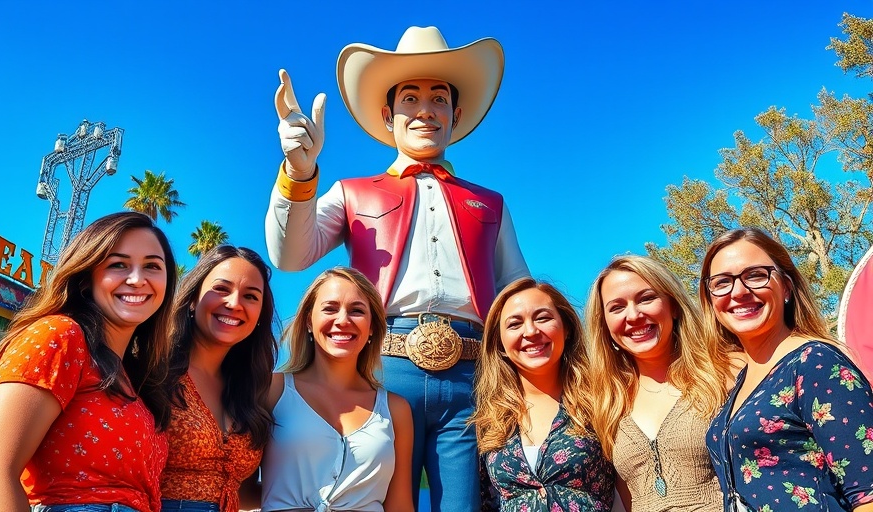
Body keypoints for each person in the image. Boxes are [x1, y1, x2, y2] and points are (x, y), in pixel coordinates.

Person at [263, 25, 529, 510]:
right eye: (410, 97)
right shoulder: (352, 191)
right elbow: (290, 255)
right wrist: (300, 173)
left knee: (463, 505)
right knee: (378, 500)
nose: (425, 110)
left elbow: (517, 288)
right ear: (389, 115)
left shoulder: (491, 203)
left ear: (457, 114)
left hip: (473, 373)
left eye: (438, 99)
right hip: (383, 369)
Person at [0, 211, 177, 512]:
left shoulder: (137, 378)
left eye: (152, 266)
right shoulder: (59, 335)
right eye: (118, 265)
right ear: (86, 278)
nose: (137, 280)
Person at [701, 227, 873, 511]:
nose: (739, 291)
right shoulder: (743, 379)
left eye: (755, 275)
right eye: (722, 282)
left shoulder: (815, 362)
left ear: (787, 287)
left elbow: (867, 493)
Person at [584, 255, 734, 511]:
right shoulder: (608, 401)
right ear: (605, 324)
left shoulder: (723, 372)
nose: (634, 315)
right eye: (617, 307)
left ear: (673, 305)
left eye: (646, 298)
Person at [261, 267, 414, 512]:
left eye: (357, 311)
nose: (343, 320)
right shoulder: (271, 390)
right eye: (330, 308)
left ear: (372, 326)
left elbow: (400, 505)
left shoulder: (396, 410)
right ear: (309, 321)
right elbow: (238, 488)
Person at [472, 277, 615, 511]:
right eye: (514, 324)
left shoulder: (602, 401)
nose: (530, 331)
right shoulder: (487, 419)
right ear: (500, 343)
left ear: (566, 328)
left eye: (543, 318)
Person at [160, 245, 278, 512]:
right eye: (222, 289)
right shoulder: (152, 372)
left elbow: (245, 493)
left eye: (250, 296)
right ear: (192, 299)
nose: (234, 303)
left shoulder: (252, 391)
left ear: (260, 315)